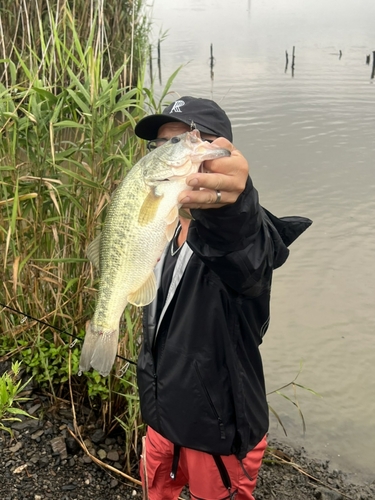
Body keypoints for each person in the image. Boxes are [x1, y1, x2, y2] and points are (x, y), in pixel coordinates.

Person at [134, 96, 312, 500]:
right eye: (159, 146)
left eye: (183, 142)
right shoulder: (158, 232)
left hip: (217, 434)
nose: (165, 154)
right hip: (161, 418)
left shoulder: (240, 234)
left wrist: (232, 208)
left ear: (219, 154)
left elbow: (246, 253)